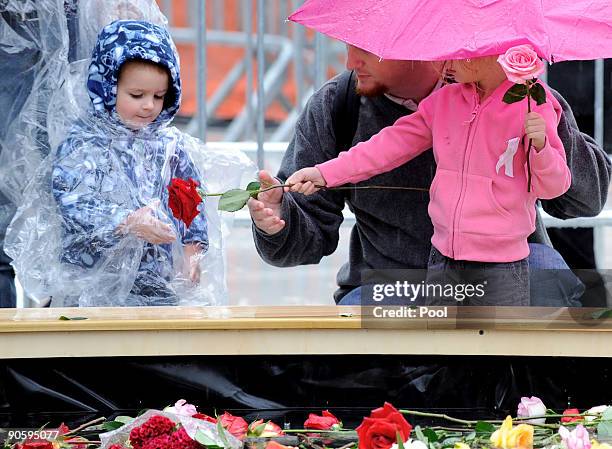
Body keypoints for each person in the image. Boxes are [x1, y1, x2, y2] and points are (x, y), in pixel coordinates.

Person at [249, 44, 611, 306]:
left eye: (368, 49)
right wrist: (278, 222)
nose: (349, 61)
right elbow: (308, 232)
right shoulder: (336, 104)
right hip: (390, 285)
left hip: (507, 263)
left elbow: (586, 199)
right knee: (371, 364)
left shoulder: (528, 99)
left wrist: (546, 133)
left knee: (548, 299)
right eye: (348, 46)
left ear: (423, 43)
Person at [50, 20, 208, 306]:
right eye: (137, 95)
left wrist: (192, 250)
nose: (149, 105)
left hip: (158, 281)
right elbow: (73, 199)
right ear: (108, 88)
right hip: (93, 278)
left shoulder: (169, 145)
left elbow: (189, 200)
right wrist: (124, 221)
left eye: (159, 96)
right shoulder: (85, 142)